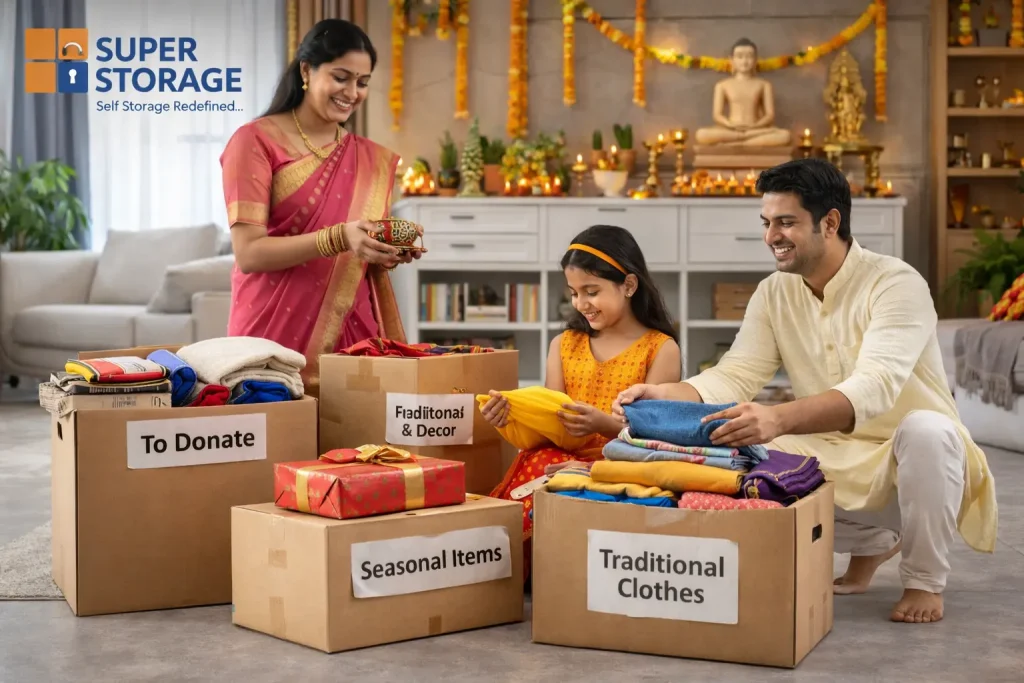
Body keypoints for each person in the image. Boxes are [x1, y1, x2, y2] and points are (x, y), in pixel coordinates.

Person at [613, 158, 997, 624]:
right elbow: (734, 374)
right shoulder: (775, 292)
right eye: (767, 222)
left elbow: (873, 388)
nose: (771, 235)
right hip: (834, 450)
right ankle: (875, 544)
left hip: (912, 460)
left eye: (786, 222)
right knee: (739, 456)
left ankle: (923, 580)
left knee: (927, 432)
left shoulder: (896, 282)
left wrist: (778, 417)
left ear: (829, 222)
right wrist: (667, 393)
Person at [219, 19, 419, 396]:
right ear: (307, 70)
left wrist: (383, 250)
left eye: (362, 82)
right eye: (341, 77)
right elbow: (249, 253)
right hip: (271, 333)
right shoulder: (255, 142)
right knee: (277, 445)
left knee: (355, 450)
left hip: (353, 331)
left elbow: (359, 247)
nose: (352, 92)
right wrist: (340, 237)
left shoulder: (368, 158)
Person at [480, 225, 682, 580]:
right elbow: (551, 419)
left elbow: (659, 432)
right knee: (540, 463)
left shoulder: (661, 348)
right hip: (561, 456)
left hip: (623, 461)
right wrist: (512, 417)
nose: (580, 304)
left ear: (629, 286)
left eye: (592, 291)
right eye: (574, 293)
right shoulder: (563, 344)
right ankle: (524, 571)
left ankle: (569, 576)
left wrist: (602, 424)